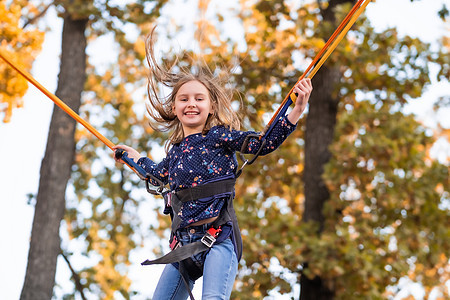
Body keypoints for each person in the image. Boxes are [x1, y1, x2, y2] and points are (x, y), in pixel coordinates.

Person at [113, 33, 313, 300]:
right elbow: (156, 174)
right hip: (183, 248)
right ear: (174, 108)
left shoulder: (219, 137)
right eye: (184, 99)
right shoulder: (175, 153)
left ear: (211, 106)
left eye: (199, 99)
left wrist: (296, 110)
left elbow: (262, 144)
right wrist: (134, 157)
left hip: (218, 238)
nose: (191, 104)